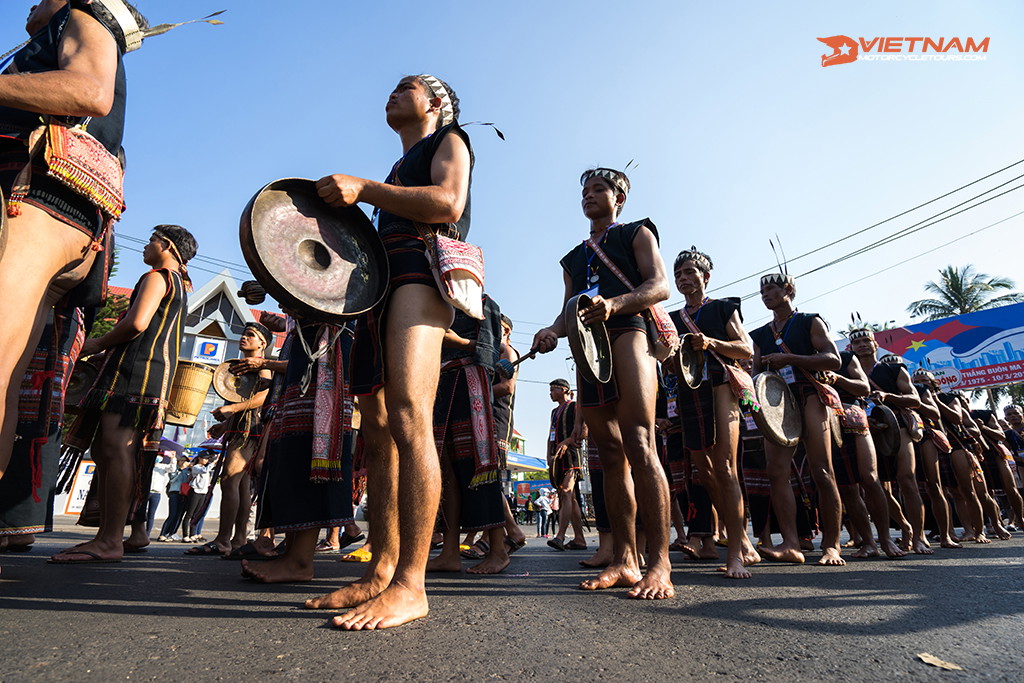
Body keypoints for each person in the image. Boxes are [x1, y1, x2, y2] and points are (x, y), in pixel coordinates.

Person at [302, 74, 474, 629]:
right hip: (382, 287)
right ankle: (381, 569)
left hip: (419, 277)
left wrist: (366, 189)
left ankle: (412, 584)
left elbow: (448, 203)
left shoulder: (451, 140)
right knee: (376, 430)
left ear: (437, 102)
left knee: (409, 418)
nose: (392, 94)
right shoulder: (401, 166)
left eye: (407, 87)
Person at [0, 1, 138, 482]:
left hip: (37, 203)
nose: (30, 4)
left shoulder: (80, 15)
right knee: (5, 380)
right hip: (52, 213)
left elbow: (88, 91)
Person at [533, 167, 674, 599]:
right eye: (585, 191)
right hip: (585, 349)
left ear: (620, 198)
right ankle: (624, 560)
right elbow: (565, 312)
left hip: (629, 332)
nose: (589, 196)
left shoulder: (637, 232)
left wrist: (613, 304)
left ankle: (661, 564)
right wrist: (552, 331)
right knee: (609, 454)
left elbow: (659, 285)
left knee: (639, 441)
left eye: (599, 190)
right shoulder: (573, 258)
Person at [50, 225, 195, 563]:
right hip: (146, 372)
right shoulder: (180, 285)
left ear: (169, 247)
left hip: (135, 373)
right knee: (110, 449)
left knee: (115, 449)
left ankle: (109, 540)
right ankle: (115, 534)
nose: (147, 246)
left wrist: (97, 343)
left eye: (152, 241)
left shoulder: (158, 277)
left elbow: (137, 323)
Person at [668, 247, 759, 578]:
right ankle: (743, 540)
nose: (683, 279)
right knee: (703, 471)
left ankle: (735, 554)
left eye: (690, 272)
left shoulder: (723, 309)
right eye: (678, 274)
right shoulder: (673, 319)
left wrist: (710, 342)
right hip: (689, 393)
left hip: (721, 386)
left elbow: (746, 348)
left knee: (724, 467)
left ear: (706, 277)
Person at [750, 272, 845, 566]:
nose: (766, 294)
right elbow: (755, 373)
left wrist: (790, 359)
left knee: (822, 471)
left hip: (809, 397)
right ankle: (791, 544)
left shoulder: (809, 321)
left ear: (788, 290)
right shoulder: (759, 334)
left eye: (771, 289)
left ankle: (831, 545)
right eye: (762, 291)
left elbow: (833, 359)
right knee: (776, 472)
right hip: (777, 404)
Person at [425, 295, 509, 575]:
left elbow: (488, 352)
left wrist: (457, 342)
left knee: (480, 467)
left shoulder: (483, 302)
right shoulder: (437, 302)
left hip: (470, 381)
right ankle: (450, 552)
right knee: (446, 472)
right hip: (441, 383)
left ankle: (498, 549)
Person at [186, 323, 273, 556]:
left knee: (229, 480)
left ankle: (223, 540)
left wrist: (232, 409)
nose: (244, 338)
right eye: (244, 333)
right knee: (241, 484)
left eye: (251, 335)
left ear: (262, 343)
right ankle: (238, 540)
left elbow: (264, 397)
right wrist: (225, 425)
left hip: (249, 430)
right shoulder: (245, 365)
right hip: (241, 428)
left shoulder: (263, 368)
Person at [849, 334, 931, 555]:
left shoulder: (894, 370)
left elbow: (915, 400)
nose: (863, 345)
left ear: (876, 345)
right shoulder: (849, 370)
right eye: (857, 342)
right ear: (851, 347)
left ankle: (919, 537)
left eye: (866, 340)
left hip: (898, 428)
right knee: (875, 485)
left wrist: (887, 396)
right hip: (867, 430)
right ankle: (903, 527)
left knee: (907, 479)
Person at [824, 338, 906, 557]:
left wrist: (838, 379)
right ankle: (869, 542)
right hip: (825, 422)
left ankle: (886, 540)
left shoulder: (846, 358)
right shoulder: (802, 360)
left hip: (854, 417)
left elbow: (864, 387)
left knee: (870, 479)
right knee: (848, 487)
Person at [545, 379, 587, 552]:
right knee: (571, 498)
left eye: (553, 390)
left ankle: (560, 536)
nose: (550, 393)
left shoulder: (575, 406)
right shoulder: (554, 411)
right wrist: (549, 454)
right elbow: (550, 435)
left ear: (564, 390)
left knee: (565, 492)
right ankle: (580, 539)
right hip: (557, 457)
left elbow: (584, 431)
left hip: (571, 455)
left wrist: (567, 442)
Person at [179, 450, 214, 542]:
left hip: (203, 492)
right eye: (204, 458)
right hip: (195, 492)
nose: (206, 460)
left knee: (196, 515)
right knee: (189, 514)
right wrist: (214, 462)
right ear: (199, 458)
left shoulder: (207, 468)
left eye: (207, 459)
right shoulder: (196, 467)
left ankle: (192, 534)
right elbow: (204, 470)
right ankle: (185, 535)